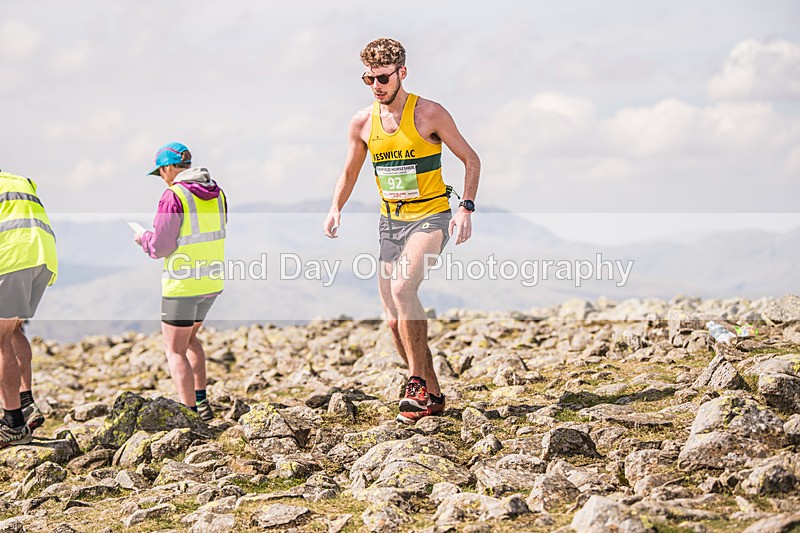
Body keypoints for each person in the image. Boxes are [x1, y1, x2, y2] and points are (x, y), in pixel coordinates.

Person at [323, 38, 481, 424]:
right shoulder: (362, 122)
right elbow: (349, 171)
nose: (376, 86)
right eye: (368, 79)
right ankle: (432, 393)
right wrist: (335, 208)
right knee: (394, 319)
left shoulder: (429, 113)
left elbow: (472, 160)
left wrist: (465, 208)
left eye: (382, 78)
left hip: (430, 217)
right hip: (390, 223)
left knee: (401, 289)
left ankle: (414, 383)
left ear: (401, 73)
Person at [135, 142, 227, 422]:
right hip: (211, 281)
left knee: (174, 349)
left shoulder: (173, 196)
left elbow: (162, 245)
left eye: (161, 172)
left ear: (168, 168)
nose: (162, 178)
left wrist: (143, 240)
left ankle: (190, 415)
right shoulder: (217, 193)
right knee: (190, 340)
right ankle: (202, 403)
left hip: (183, 284)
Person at [0, 170, 58, 446]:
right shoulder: (19, 180)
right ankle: (25, 404)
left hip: (11, 258)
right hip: (42, 257)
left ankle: (13, 423)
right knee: (12, 331)